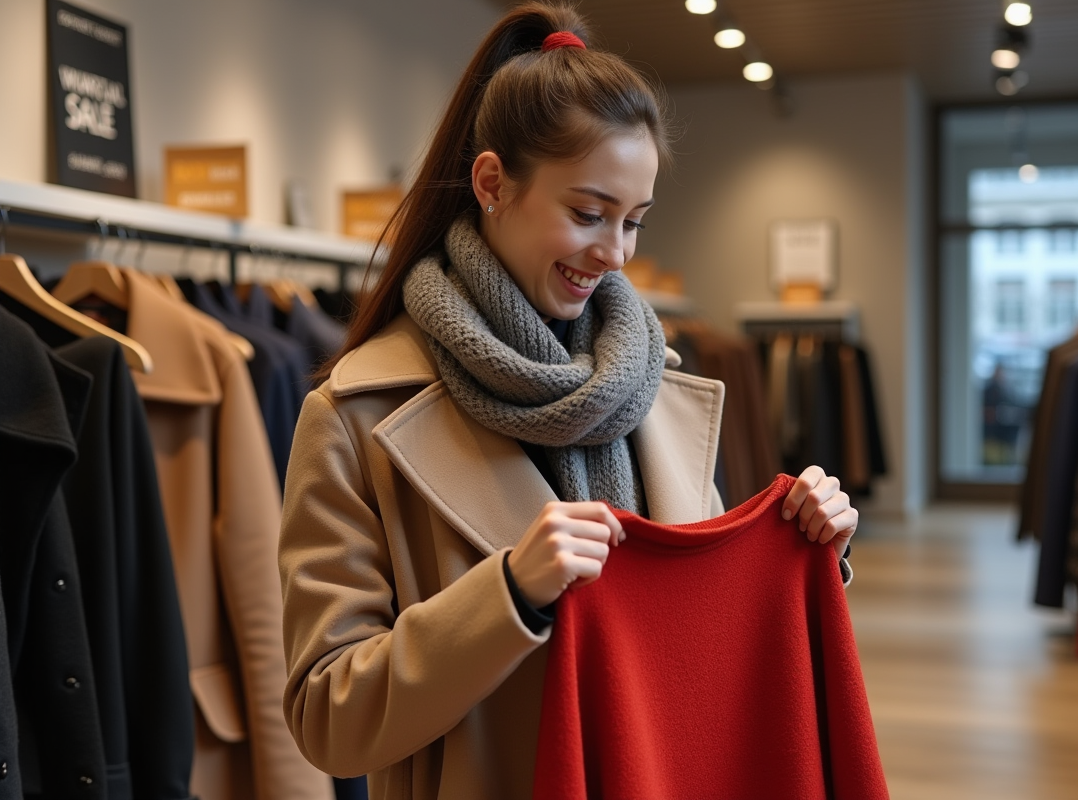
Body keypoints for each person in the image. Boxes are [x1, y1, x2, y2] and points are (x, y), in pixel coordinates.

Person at [278, 4, 860, 798]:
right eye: (587, 213)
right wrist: (507, 593)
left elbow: (695, 640)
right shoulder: (356, 418)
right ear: (492, 183)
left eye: (634, 222)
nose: (614, 253)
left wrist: (810, 545)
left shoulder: (657, 396)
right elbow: (328, 720)